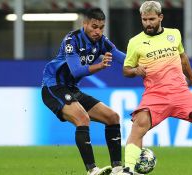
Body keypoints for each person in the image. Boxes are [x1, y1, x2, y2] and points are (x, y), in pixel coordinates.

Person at [121, 1, 192, 175]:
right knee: (139, 124)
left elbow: (183, 59)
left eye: (152, 19)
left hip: (180, 92)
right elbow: (126, 70)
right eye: (144, 20)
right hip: (155, 94)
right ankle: (128, 170)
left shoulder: (173, 34)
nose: (148, 23)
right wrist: (135, 70)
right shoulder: (135, 42)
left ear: (160, 17)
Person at [41, 8, 125, 175]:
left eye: (101, 27)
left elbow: (119, 55)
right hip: (54, 87)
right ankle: (92, 170)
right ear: (84, 24)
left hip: (72, 89)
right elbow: (76, 71)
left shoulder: (102, 41)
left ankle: (117, 169)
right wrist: (100, 65)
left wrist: (142, 63)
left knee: (113, 117)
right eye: (94, 26)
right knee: (82, 118)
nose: (98, 31)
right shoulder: (71, 40)